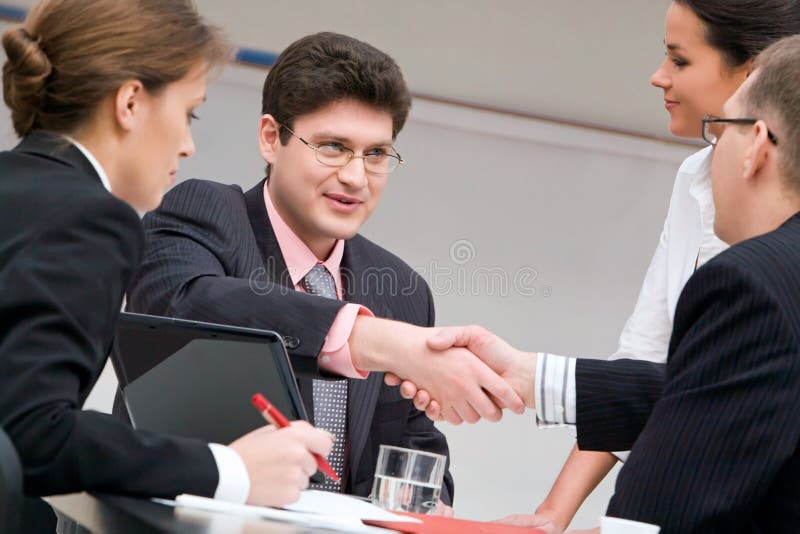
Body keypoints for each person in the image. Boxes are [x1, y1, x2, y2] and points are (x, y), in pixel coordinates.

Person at [389, 0, 800, 529]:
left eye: (679, 59)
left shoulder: (755, 282)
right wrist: (528, 378)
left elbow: (688, 450)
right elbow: (667, 373)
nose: (658, 77)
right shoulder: (699, 185)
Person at [123, 31, 523, 506]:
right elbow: (183, 306)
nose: (356, 177)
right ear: (271, 138)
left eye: (376, 154)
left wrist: (430, 505)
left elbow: (414, 450)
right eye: (333, 147)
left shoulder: (402, 290)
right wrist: (371, 340)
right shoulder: (204, 211)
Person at [0, 0, 335, 511]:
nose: (187, 145)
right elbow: (30, 433)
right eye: (188, 113)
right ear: (130, 102)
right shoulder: (92, 219)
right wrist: (232, 471)